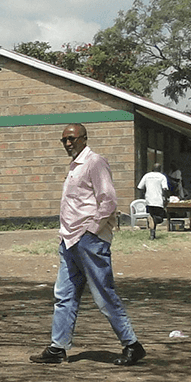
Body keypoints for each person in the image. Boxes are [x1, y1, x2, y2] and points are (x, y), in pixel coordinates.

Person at [31, 123, 146, 367]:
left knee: (103, 293)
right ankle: (57, 347)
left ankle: (132, 345)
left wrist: (91, 231)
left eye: (72, 138)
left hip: (88, 240)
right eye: (64, 140)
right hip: (69, 240)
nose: (68, 143)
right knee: (64, 295)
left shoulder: (95, 163)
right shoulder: (75, 167)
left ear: (84, 138)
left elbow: (108, 201)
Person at [137, 166, 170, 239]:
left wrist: (144, 194)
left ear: (152, 169)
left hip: (149, 200)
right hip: (158, 200)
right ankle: (154, 220)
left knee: (152, 216)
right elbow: (164, 189)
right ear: (160, 169)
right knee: (160, 218)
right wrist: (166, 198)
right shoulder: (162, 177)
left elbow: (139, 187)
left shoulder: (147, 176)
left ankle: (152, 235)